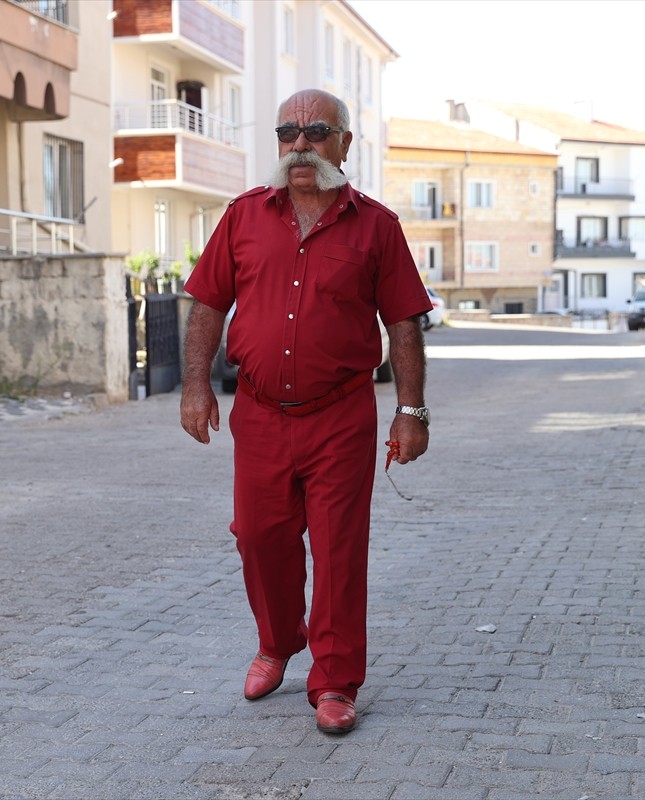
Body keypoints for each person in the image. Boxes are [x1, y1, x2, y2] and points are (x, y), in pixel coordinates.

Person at [179, 88, 432, 734]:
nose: (300, 144)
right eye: (287, 132)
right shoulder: (242, 217)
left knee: (339, 549)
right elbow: (207, 304)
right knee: (259, 537)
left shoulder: (376, 226)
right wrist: (195, 387)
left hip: (342, 416)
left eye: (316, 131)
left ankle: (335, 681)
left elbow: (403, 322)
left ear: (344, 145)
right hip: (260, 414)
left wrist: (411, 411)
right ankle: (277, 641)